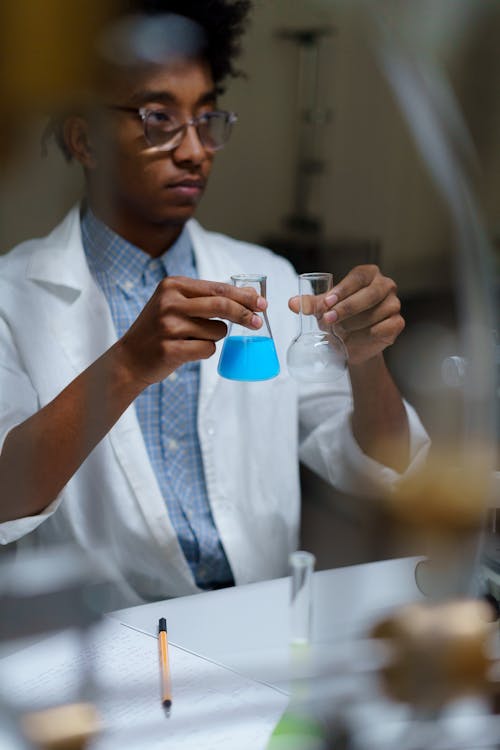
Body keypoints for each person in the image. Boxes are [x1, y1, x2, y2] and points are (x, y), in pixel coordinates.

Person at [0, 0, 428, 605]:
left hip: (257, 621)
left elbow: (383, 466)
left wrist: (367, 358)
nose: (195, 151)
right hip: (103, 639)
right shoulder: (11, 297)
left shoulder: (270, 280)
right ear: (85, 140)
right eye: (158, 119)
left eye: (208, 120)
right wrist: (128, 363)